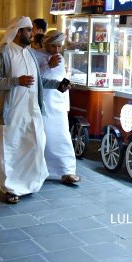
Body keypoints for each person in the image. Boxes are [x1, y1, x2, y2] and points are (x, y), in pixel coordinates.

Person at [0, 16, 60, 204]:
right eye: (28, 30)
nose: (32, 33)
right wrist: (16, 81)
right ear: (18, 31)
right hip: (10, 112)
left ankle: (27, 183)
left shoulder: (30, 54)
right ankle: (10, 188)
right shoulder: (1, 53)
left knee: (34, 146)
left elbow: (38, 82)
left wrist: (58, 84)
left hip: (32, 111)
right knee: (8, 150)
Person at [34, 30, 80, 184]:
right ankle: (41, 170)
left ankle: (67, 171)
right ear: (45, 43)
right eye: (53, 46)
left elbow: (60, 79)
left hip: (58, 106)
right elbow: (34, 79)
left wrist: (66, 101)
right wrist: (48, 65)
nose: (56, 50)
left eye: (59, 46)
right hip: (43, 105)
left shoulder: (60, 57)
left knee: (62, 137)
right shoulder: (35, 56)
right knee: (43, 138)